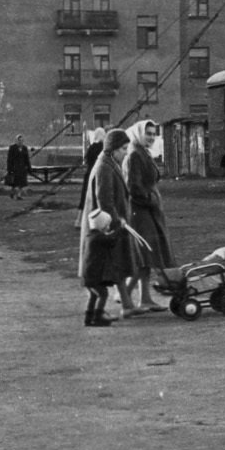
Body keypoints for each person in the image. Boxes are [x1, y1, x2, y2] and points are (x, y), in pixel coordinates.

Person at [78, 129, 140, 326]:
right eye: (123, 149)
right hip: (106, 226)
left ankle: (124, 304)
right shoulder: (104, 167)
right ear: (113, 149)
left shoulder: (108, 163)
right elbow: (105, 199)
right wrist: (117, 220)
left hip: (109, 225)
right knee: (109, 270)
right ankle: (108, 310)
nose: (125, 153)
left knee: (115, 268)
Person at [122, 119, 173, 314]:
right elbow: (132, 186)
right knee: (144, 255)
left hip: (148, 210)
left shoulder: (142, 152)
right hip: (140, 211)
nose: (151, 137)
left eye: (153, 134)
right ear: (138, 134)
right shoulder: (135, 155)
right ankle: (125, 297)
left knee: (148, 257)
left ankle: (145, 298)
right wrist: (150, 198)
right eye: (148, 133)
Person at [75, 128, 106, 227]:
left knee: (84, 197)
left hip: (89, 175)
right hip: (98, 175)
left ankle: (78, 220)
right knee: (98, 198)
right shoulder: (103, 148)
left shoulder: (91, 147)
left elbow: (88, 161)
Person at [6, 134, 31, 200]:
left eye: (22, 140)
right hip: (15, 167)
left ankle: (18, 196)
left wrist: (29, 167)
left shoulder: (24, 148)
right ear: (16, 141)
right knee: (15, 183)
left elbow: (27, 159)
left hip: (22, 168)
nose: (20, 142)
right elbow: (9, 159)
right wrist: (9, 168)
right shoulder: (12, 148)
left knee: (21, 183)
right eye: (19, 140)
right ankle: (13, 192)